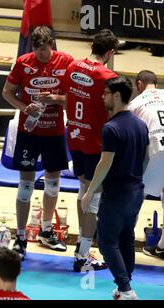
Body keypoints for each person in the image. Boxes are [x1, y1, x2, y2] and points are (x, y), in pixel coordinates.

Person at [2, 26, 73, 259]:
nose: (43, 54)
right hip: (29, 132)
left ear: (51, 44)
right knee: (25, 187)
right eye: (38, 50)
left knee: (53, 185)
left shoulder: (66, 61)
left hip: (54, 132)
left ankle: (46, 230)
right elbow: (7, 92)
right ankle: (21, 237)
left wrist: (55, 99)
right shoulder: (23, 63)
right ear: (32, 47)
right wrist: (24, 107)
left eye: (46, 49)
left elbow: (73, 97)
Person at [82, 77, 149, 300]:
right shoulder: (141, 125)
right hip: (136, 191)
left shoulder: (110, 128)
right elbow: (146, 159)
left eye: (106, 93)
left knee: (106, 241)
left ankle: (126, 289)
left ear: (117, 96)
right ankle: (124, 288)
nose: (103, 97)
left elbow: (105, 163)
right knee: (126, 238)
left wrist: (90, 191)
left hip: (117, 194)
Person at [59, 29, 118, 272]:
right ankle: (83, 254)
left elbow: (67, 96)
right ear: (110, 52)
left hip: (74, 138)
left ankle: (81, 250)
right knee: (93, 197)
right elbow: (115, 108)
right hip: (95, 143)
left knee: (84, 189)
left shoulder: (72, 66)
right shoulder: (108, 76)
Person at [128, 70, 164, 260]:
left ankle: (126, 240)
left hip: (155, 150)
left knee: (137, 191)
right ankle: (162, 247)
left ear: (139, 85)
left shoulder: (135, 103)